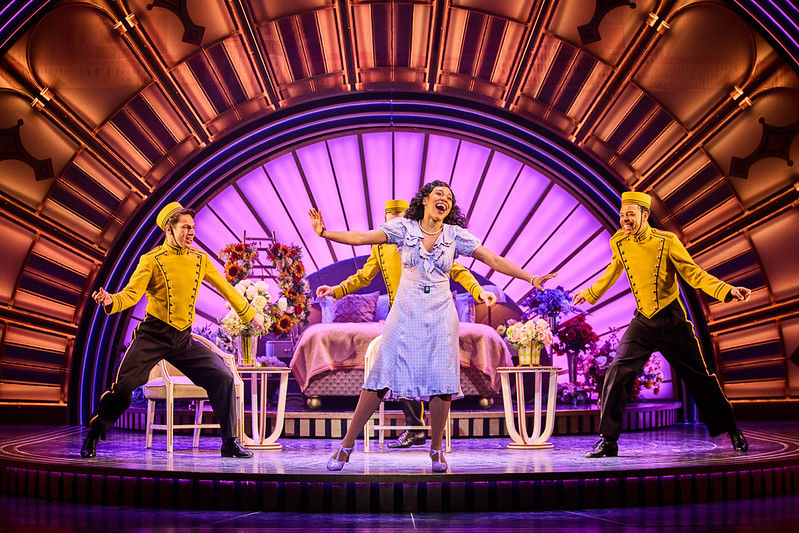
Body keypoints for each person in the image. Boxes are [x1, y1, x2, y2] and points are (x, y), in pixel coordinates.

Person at [309, 180, 556, 472]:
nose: (445, 199)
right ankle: (346, 446)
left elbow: (493, 259)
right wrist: (325, 233)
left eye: (449, 198)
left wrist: (531, 278)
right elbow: (362, 237)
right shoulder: (403, 229)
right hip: (404, 311)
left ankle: (436, 450)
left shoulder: (455, 235)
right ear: (425, 200)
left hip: (441, 313)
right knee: (379, 376)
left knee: (442, 382)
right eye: (439, 194)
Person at [573, 191, 751, 458]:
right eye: (622, 215)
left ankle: (732, 429)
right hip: (643, 319)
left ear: (645, 215)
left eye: (630, 215)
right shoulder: (619, 241)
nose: (625, 220)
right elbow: (612, 272)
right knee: (617, 372)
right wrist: (590, 293)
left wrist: (726, 290)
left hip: (672, 319)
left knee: (700, 377)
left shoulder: (667, 241)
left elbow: (692, 273)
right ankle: (607, 440)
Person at [81, 202, 264, 459]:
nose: (191, 232)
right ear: (169, 229)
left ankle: (230, 443)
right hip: (152, 336)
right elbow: (131, 294)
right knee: (123, 388)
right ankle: (94, 433)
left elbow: (226, 288)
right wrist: (111, 300)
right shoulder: (152, 260)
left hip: (183, 340)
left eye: (193, 227)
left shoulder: (200, 260)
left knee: (222, 377)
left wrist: (250, 315)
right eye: (185, 227)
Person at [316, 199, 494, 450]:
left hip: (432, 311)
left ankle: (427, 439)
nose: (395, 223)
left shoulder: (428, 240)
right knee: (390, 367)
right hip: (401, 312)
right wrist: (336, 290)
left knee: (431, 367)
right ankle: (410, 428)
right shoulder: (382, 245)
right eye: (391, 218)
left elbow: (457, 270)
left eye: (399, 217)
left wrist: (478, 291)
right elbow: (363, 277)